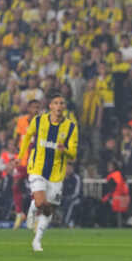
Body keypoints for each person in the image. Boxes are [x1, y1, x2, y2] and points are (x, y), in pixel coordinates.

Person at [16, 90, 79, 251]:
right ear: (50, 106)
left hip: (57, 174)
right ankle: (33, 206)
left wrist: (64, 149)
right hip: (37, 168)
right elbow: (27, 137)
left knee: (48, 208)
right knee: (40, 202)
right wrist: (20, 156)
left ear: (64, 107)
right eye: (56, 103)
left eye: (61, 103)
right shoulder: (38, 121)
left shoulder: (71, 127)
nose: (59, 106)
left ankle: (37, 240)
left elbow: (73, 154)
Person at [12, 99, 41, 230]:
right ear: (28, 108)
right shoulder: (21, 121)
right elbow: (17, 139)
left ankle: (35, 217)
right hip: (22, 161)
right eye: (34, 107)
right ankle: (20, 214)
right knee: (15, 186)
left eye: (38, 108)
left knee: (35, 190)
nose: (36, 110)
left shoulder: (41, 124)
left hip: (35, 162)